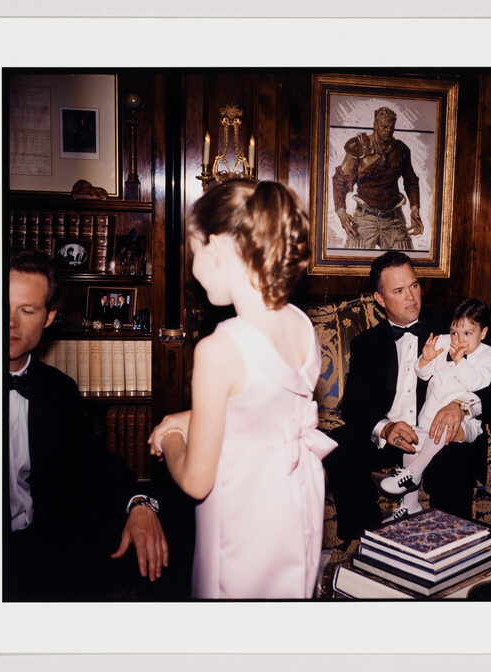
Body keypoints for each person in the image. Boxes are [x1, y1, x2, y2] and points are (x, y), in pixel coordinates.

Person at [148, 180, 336, 599]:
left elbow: (198, 481)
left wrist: (175, 436)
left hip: (241, 518)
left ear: (214, 248)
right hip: (292, 503)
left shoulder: (219, 348)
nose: (195, 270)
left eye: (194, 253)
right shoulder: (302, 326)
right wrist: (191, 415)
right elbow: (261, 411)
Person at [6, 249, 168, 601]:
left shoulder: (58, 389)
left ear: (49, 318)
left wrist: (139, 504)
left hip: (39, 552)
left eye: (27, 310)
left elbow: (93, 463)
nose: (10, 322)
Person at [322, 251, 491, 541]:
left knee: (453, 461)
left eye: (413, 285)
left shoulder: (452, 326)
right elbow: (353, 404)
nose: (411, 296)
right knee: (338, 448)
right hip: (396, 436)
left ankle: (451, 547)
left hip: (441, 432)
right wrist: (385, 428)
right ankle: (365, 541)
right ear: (380, 298)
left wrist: (461, 406)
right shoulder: (367, 344)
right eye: (399, 290)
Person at [378, 298, 491, 521]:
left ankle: (413, 474)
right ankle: (410, 505)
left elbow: (477, 384)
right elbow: (423, 374)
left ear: (483, 333)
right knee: (411, 444)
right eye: (455, 332)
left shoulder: (487, 355)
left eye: (467, 334)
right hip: (429, 418)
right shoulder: (444, 341)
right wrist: (425, 359)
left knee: (445, 428)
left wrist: (459, 361)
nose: (459, 340)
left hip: (464, 423)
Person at [331, 106, 423, 250]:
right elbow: (340, 181)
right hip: (365, 218)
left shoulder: (401, 150)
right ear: (375, 125)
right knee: (355, 267)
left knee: (403, 265)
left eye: (391, 127)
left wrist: (415, 209)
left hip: (394, 218)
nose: (388, 130)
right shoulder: (358, 146)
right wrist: (341, 212)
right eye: (384, 126)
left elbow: (411, 180)